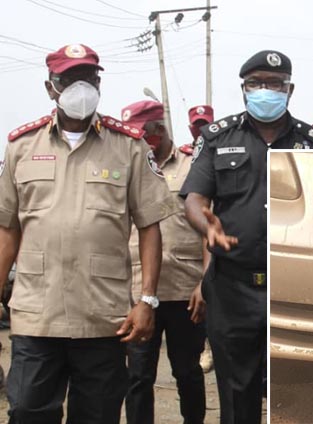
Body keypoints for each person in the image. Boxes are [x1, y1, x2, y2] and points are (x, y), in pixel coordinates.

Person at [0, 44, 176, 423]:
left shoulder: (128, 147)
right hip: (36, 314)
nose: (81, 87)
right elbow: (8, 230)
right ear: (51, 87)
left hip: (103, 316)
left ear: (99, 83)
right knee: (29, 410)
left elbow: (149, 226)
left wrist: (147, 300)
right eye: (70, 79)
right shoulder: (21, 147)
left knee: (96, 415)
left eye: (89, 78)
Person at [181, 49, 313, 423]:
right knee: (236, 395)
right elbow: (194, 199)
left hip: (296, 289)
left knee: (300, 392)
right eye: (256, 83)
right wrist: (206, 224)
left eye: (274, 84)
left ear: (289, 89)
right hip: (233, 287)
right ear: (244, 89)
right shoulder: (218, 137)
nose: (266, 90)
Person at [121, 101, 207, 424]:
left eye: (144, 134)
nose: (139, 141)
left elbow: (208, 228)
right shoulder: (128, 165)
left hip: (186, 292)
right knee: (139, 375)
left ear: (159, 129)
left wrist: (205, 283)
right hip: (140, 293)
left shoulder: (192, 166)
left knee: (187, 371)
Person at [187, 104, 216, 374]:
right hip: (185, 262)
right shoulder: (188, 159)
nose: (199, 131)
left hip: (212, 255)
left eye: (203, 125)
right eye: (195, 127)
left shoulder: (217, 156)